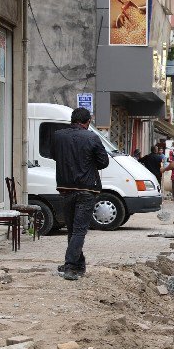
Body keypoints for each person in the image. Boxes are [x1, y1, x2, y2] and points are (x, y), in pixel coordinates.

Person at [51, 107, 109, 281]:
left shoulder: (58, 136)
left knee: (72, 228)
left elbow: (55, 156)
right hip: (87, 189)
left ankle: (78, 263)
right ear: (88, 122)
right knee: (79, 230)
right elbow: (103, 162)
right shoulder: (92, 137)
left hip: (65, 188)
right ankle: (70, 266)